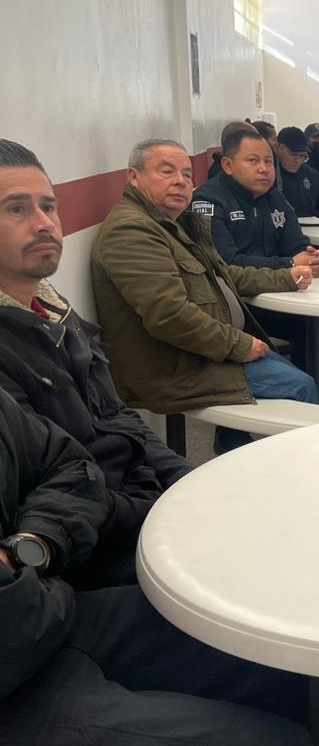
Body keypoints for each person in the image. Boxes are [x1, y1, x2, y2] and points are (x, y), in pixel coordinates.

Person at [0, 388, 319, 746]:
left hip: (50, 608)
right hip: (20, 677)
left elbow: (71, 463)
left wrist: (32, 544)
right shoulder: (18, 359)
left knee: (270, 644)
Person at [0, 140, 189, 587]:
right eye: (16, 209)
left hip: (137, 504)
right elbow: (62, 488)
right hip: (87, 553)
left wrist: (186, 479)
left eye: (49, 206)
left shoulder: (56, 313)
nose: (45, 223)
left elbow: (120, 419)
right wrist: (162, 509)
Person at [91, 139, 319, 456]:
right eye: (167, 171)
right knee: (301, 386)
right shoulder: (132, 232)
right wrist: (239, 345)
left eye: (187, 174)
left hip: (207, 352)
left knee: (304, 372)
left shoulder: (171, 224)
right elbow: (170, 315)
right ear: (134, 177)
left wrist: (286, 277)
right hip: (180, 368)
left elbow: (226, 274)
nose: (180, 181)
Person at [192, 126, 319, 274]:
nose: (264, 169)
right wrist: (289, 264)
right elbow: (225, 262)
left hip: (283, 282)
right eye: (253, 160)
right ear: (228, 165)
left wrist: (313, 259)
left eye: (268, 161)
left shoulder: (275, 198)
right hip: (232, 288)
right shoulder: (207, 200)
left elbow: (297, 245)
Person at [276, 126, 319, 220]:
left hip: (311, 226)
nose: (298, 161)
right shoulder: (269, 174)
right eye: (293, 154)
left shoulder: (310, 174)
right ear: (278, 148)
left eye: (303, 156)